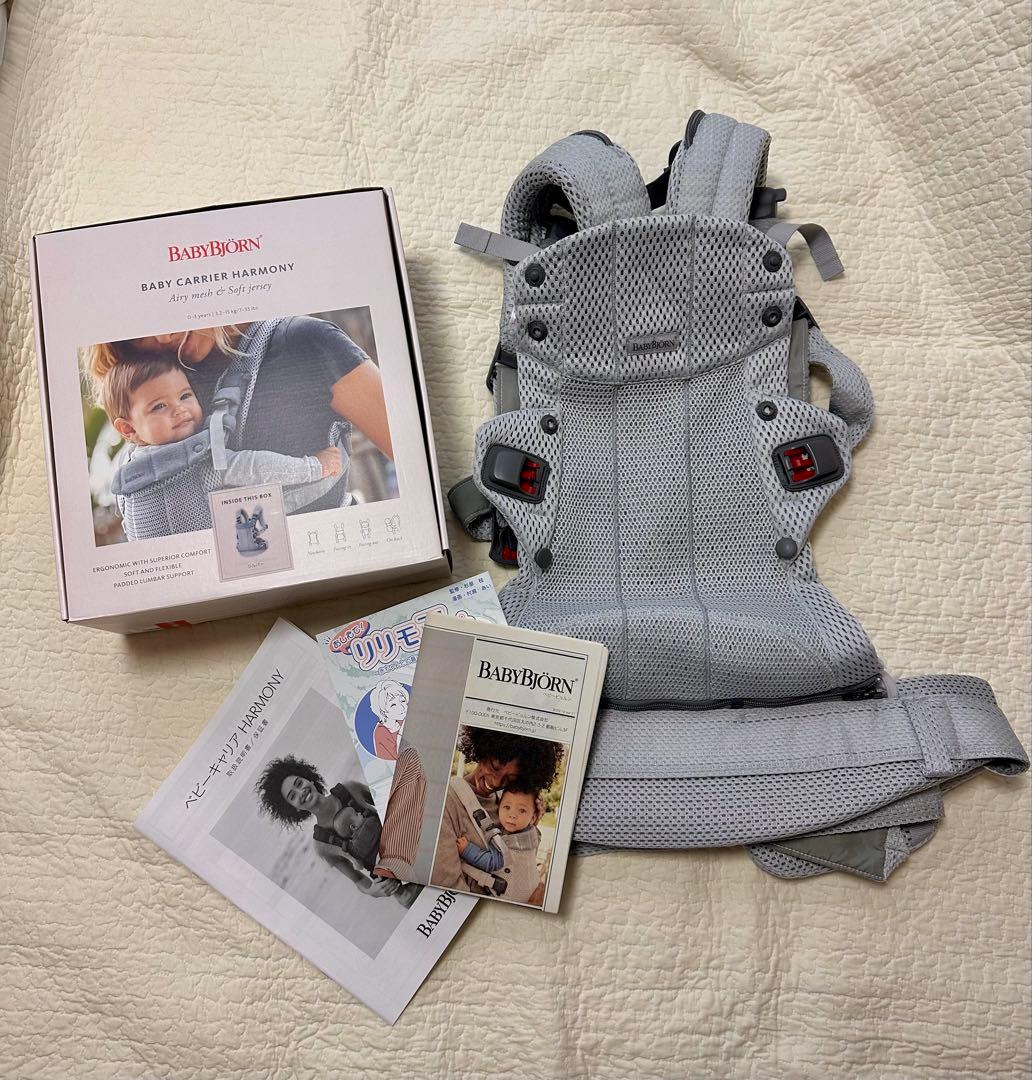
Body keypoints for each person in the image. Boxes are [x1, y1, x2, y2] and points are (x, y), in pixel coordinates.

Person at [84, 316, 392, 533]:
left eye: (168, 310)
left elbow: (410, 451)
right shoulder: (152, 386)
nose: (165, 336)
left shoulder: (305, 342)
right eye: (140, 333)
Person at [99, 354, 344, 532]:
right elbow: (258, 468)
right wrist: (314, 466)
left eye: (185, 395)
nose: (180, 409)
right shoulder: (202, 460)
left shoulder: (126, 471)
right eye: (159, 406)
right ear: (128, 428)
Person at [255, 747, 425, 901]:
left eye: (299, 783)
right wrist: (373, 891)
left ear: (309, 779)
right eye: (292, 796)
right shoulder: (322, 844)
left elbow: (393, 805)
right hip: (406, 891)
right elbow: (358, 879)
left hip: (420, 852)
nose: (301, 792)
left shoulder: (349, 789)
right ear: (294, 809)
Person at [433, 726, 564, 905]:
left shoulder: (506, 803)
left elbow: (519, 860)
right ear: (483, 750)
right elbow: (446, 884)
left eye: (510, 778)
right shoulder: (447, 800)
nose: (496, 782)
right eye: (494, 767)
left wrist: (530, 826)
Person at [456, 786, 543, 905]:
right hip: (532, 889)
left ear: (533, 818)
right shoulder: (533, 834)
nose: (512, 815)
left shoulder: (511, 843)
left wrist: (467, 849)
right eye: (507, 807)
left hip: (512, 898)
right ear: (498, 808)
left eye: (522, 810)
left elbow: (491, 862)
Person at [368, 680, 409, 760]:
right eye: (393, 705)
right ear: (382, 711)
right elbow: (397, 760)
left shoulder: (402, 721)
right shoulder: (381, 733)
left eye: (403, 701)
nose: (402, 707)